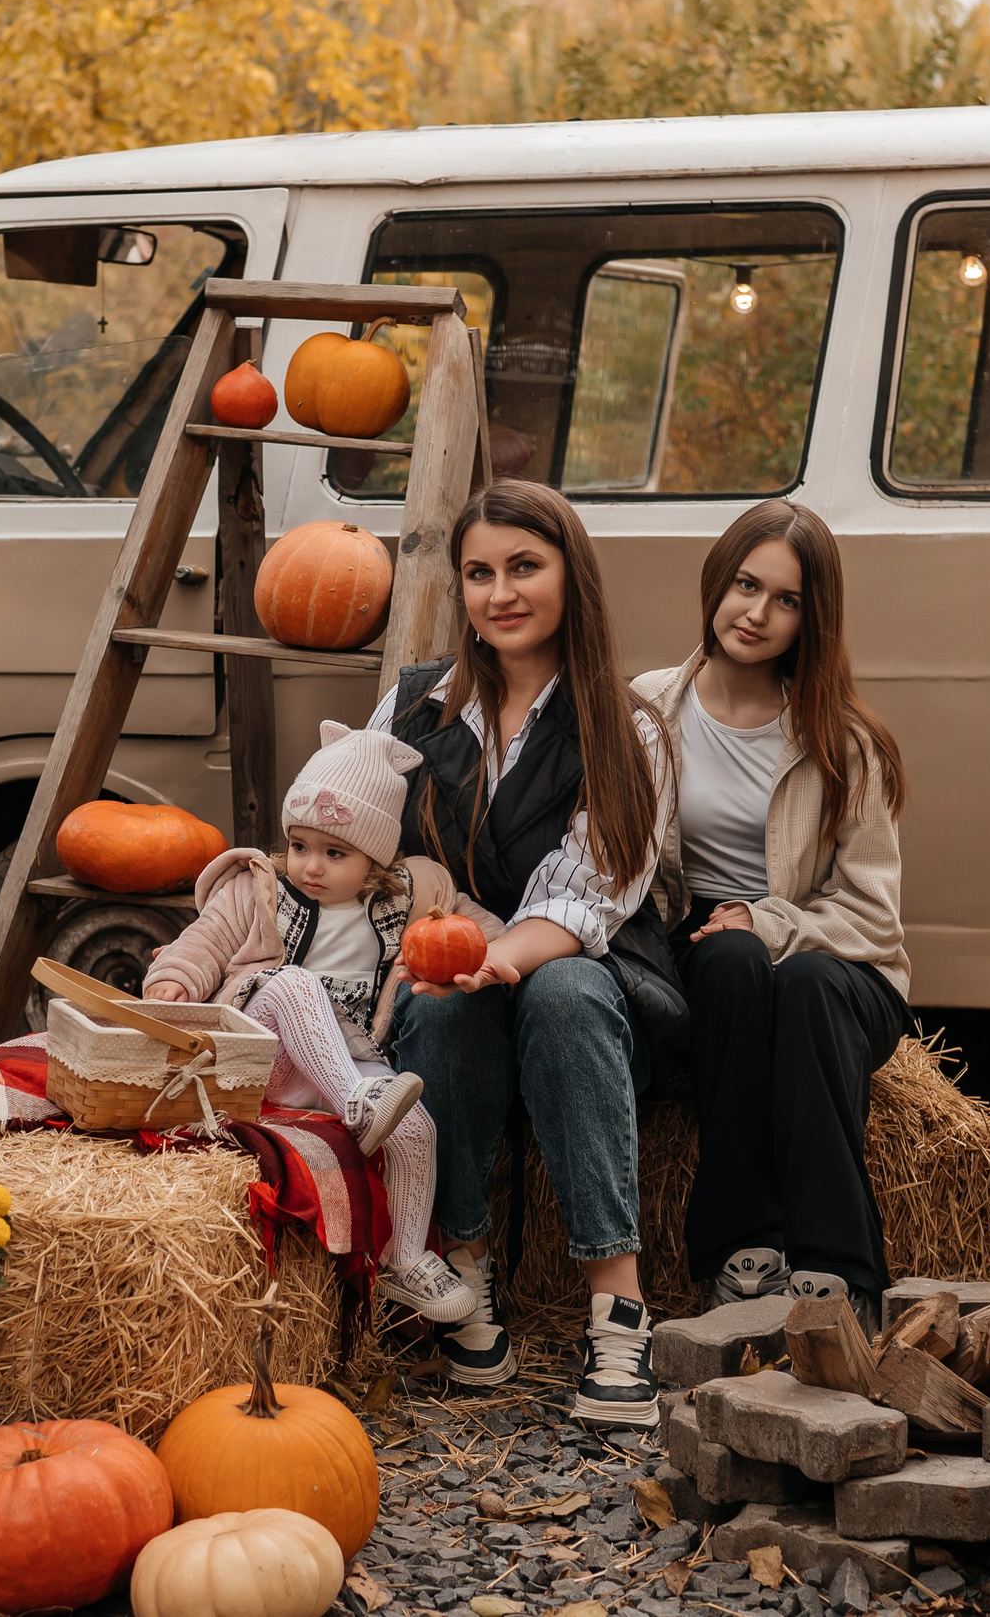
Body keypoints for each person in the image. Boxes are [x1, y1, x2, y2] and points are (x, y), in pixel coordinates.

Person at [371, 481, 681, 1426]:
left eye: (524, 567)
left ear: (570, 577)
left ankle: (616, 1304)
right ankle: (466, 1271)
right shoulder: (416, 705)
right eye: (479, 572)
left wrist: (502, 953)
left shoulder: (625, 730)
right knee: (436, 1002)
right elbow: (355, 838)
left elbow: (591, 899)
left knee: (565, 990)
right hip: (456, 970)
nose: (500, 591)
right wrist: (413, 875)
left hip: (603, 987)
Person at [631, 499, 910, 1330]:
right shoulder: (649, 706)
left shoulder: (844, 738)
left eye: (785, 599)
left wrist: (769, 919)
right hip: (703, 950)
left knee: (807, 984)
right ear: (718, 580)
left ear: (810, 618)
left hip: (838, 962)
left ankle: (840, 1269)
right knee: (731, 962)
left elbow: (872, 914)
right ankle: (739, 1249)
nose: (756, 612)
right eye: (747, 584)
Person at [142, 721, 501, 1321]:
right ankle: (359, 1104)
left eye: (335, 853)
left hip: (348, 1060)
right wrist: (174, 980)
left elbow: (482, 933)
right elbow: (202, 943)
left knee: (416, 1128)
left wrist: (494, 961)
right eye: (301, 846)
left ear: (375, 857)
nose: (311, 866)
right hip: (265, 1057)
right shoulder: (260, 891)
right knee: (293, 982)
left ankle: (406, 1258)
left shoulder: (408, 901)